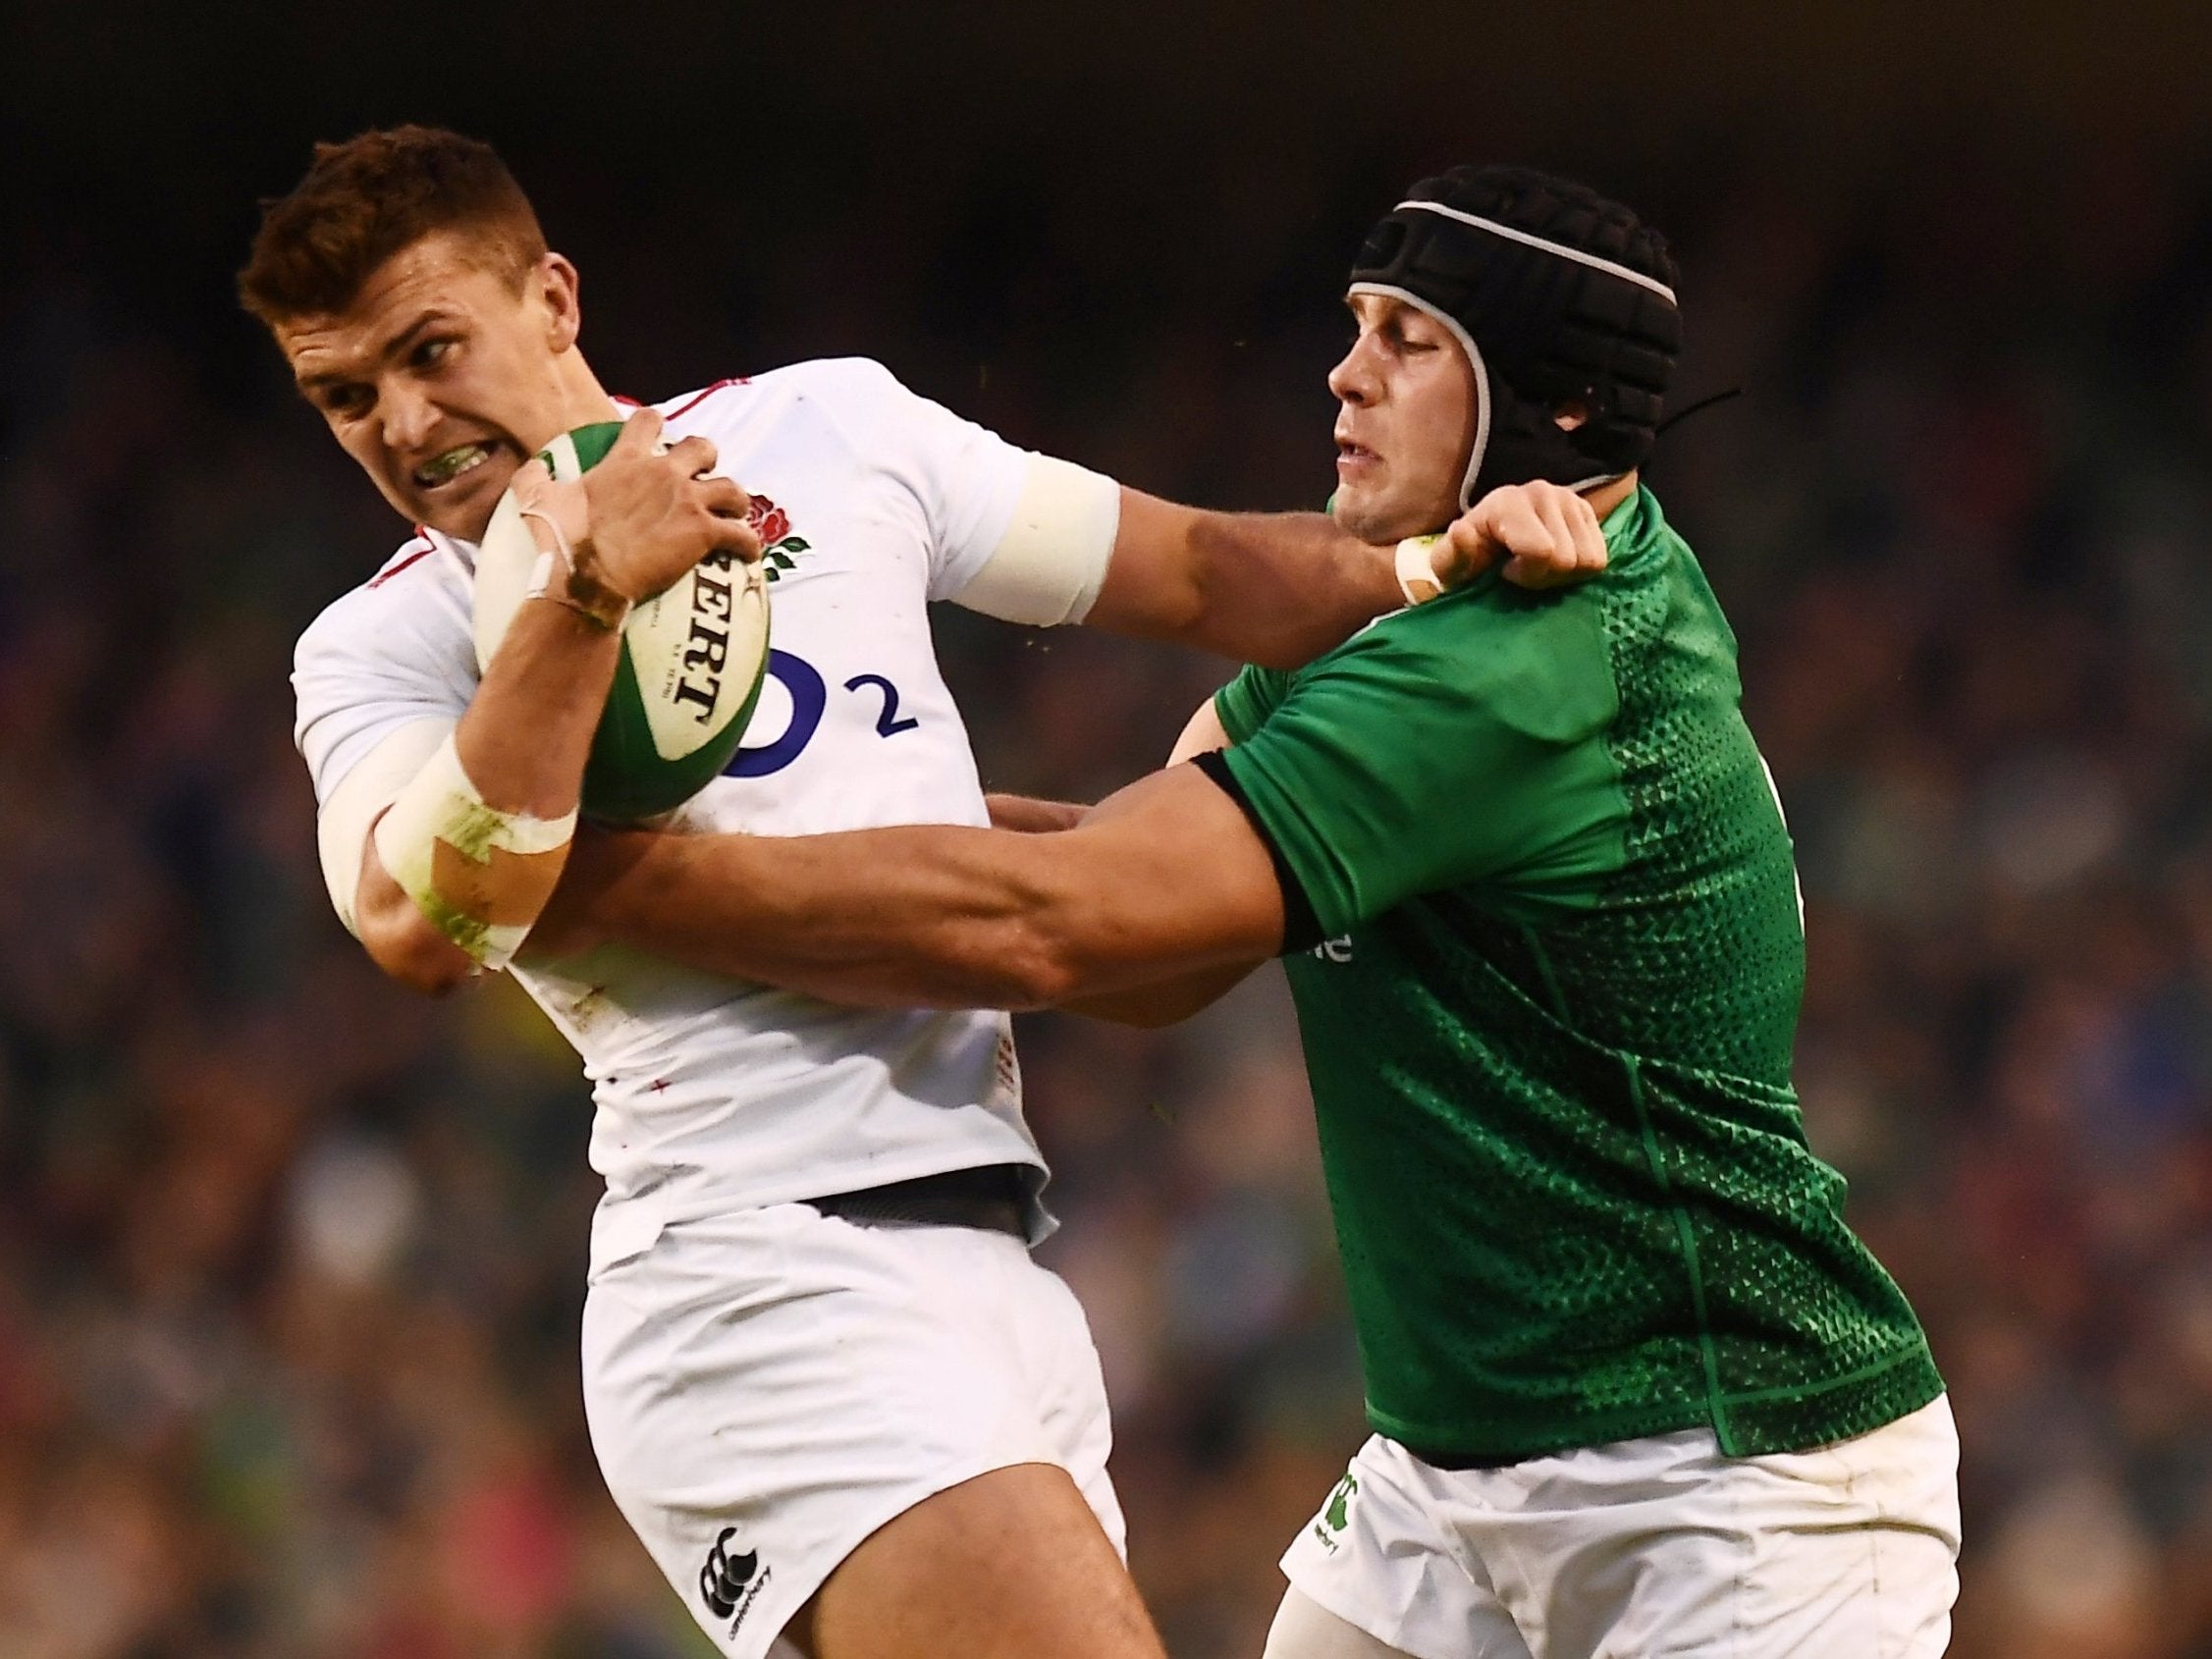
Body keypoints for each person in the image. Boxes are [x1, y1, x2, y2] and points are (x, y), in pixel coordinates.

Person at [536, 166, 1963, 1658]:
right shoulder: (1415, 619)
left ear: (1548, 402)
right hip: (1448, 1483)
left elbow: (1060, 926)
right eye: (1357, 324)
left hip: (1728, 1480)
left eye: (1410, 340)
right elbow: (1148, 941)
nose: (1344, 372)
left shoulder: (1511, 668)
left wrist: (590, 882)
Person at [249, 127, 1596, 1659]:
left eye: (432, 351)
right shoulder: (383, 647)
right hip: (754, 1277)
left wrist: (1436, 567)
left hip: (995, 1260)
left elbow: (1210, 574)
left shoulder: (827, 427)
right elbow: (420, 922)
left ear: (552, 300)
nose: (403, 423)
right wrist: (578, 584)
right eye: (344, 396)